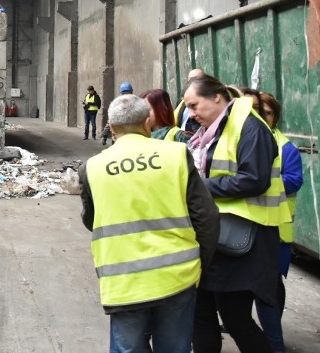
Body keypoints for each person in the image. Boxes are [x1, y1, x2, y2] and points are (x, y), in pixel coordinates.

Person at [79, 95, 219, 353]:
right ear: (147, 123)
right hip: (177, 276)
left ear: (111, 128)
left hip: (123, 280)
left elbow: (91, 220)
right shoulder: (177, 155)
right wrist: (200, 263)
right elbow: (206, 217)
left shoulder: (92, 168)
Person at [184, 74, 291, 353]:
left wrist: (200, 186)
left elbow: (254, 179)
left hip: (243, 244)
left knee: (236, 318)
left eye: (195, 106)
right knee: (201, 313)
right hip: (217, 240)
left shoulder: (250, 128)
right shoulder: (215, 130)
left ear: (216, 97)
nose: (192, 115)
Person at [250, 91, 303, 353]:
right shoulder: (246, 141)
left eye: (267, 113)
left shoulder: (286, 148)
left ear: (275, 117)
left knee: (269, 289)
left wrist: (259, 180)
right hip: (249, 229)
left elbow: (295, 180)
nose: (262, 117)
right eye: (258, 111)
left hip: (277, 232)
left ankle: (274, 342)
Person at [175, 68, 205, 133]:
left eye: (197, 79)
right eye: (190, 80)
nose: (193, 83)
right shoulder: (180, 102)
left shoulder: (206, 102)